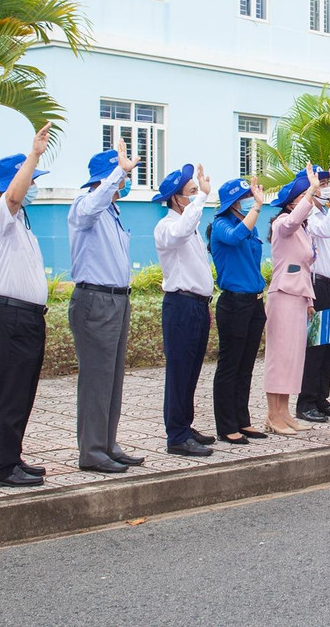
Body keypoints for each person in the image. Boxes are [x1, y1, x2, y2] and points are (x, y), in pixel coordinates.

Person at [0, 124, 52, 489]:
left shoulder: (22, 220)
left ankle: (13, 457)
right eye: (30, 180)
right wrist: (33, 153)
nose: (34, 186)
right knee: (9, 394)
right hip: (11, 316)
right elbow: (11, 198)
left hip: (29, 317)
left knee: (23, 392)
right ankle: (2, 468)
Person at [66, 139, 143, 474]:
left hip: (117, 299)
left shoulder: (113, 210)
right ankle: (92, 450)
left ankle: (108, 443)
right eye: (120, 176)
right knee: (97, 378)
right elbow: (90, 208)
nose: (125, 181)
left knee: (112, 379)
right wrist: (115, 173)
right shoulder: (85, 205)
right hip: (95, 299)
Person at [152, 163, 215, 458]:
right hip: (180, 305)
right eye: (190, 192)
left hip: (197, 305)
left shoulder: (191, 227)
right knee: (179, 372)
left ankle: (185, 426)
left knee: (191, 371)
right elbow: (180, 231)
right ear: (176, 198)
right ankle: (176, 435)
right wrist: (202, 198)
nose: (197, 195)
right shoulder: (166, 227)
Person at [209, 176, 268, 445]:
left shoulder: (249, 226)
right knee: (230, 365)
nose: (247, 203)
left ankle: (242, 420)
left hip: (254, 302)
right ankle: (226, 425)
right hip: (234, 303)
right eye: (243, 199)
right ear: (233, 201)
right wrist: (256, 208)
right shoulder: (220, 225)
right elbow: (234, 238)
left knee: (246, 366)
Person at [264, 165, 322, 434]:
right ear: (291, 203)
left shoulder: (304, 231)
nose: (309, 201)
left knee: (294, 357)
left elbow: (306, 268)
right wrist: (311, 191)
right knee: (279, 356)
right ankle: (272, 415)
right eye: (303, 197)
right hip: (283, 295)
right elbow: (292, 220)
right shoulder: (282, 225)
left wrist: (310, 300)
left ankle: (285, 411)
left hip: (299, 297)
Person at [297, 170, 330, 424]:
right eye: (323, 183)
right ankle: (306, 401)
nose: (326, 187)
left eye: (328, 183)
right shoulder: (309, 214)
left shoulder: (325, 212)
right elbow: (327, 231)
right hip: (317, 288)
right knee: (316, 347)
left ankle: (321, 397)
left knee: (328, 348)